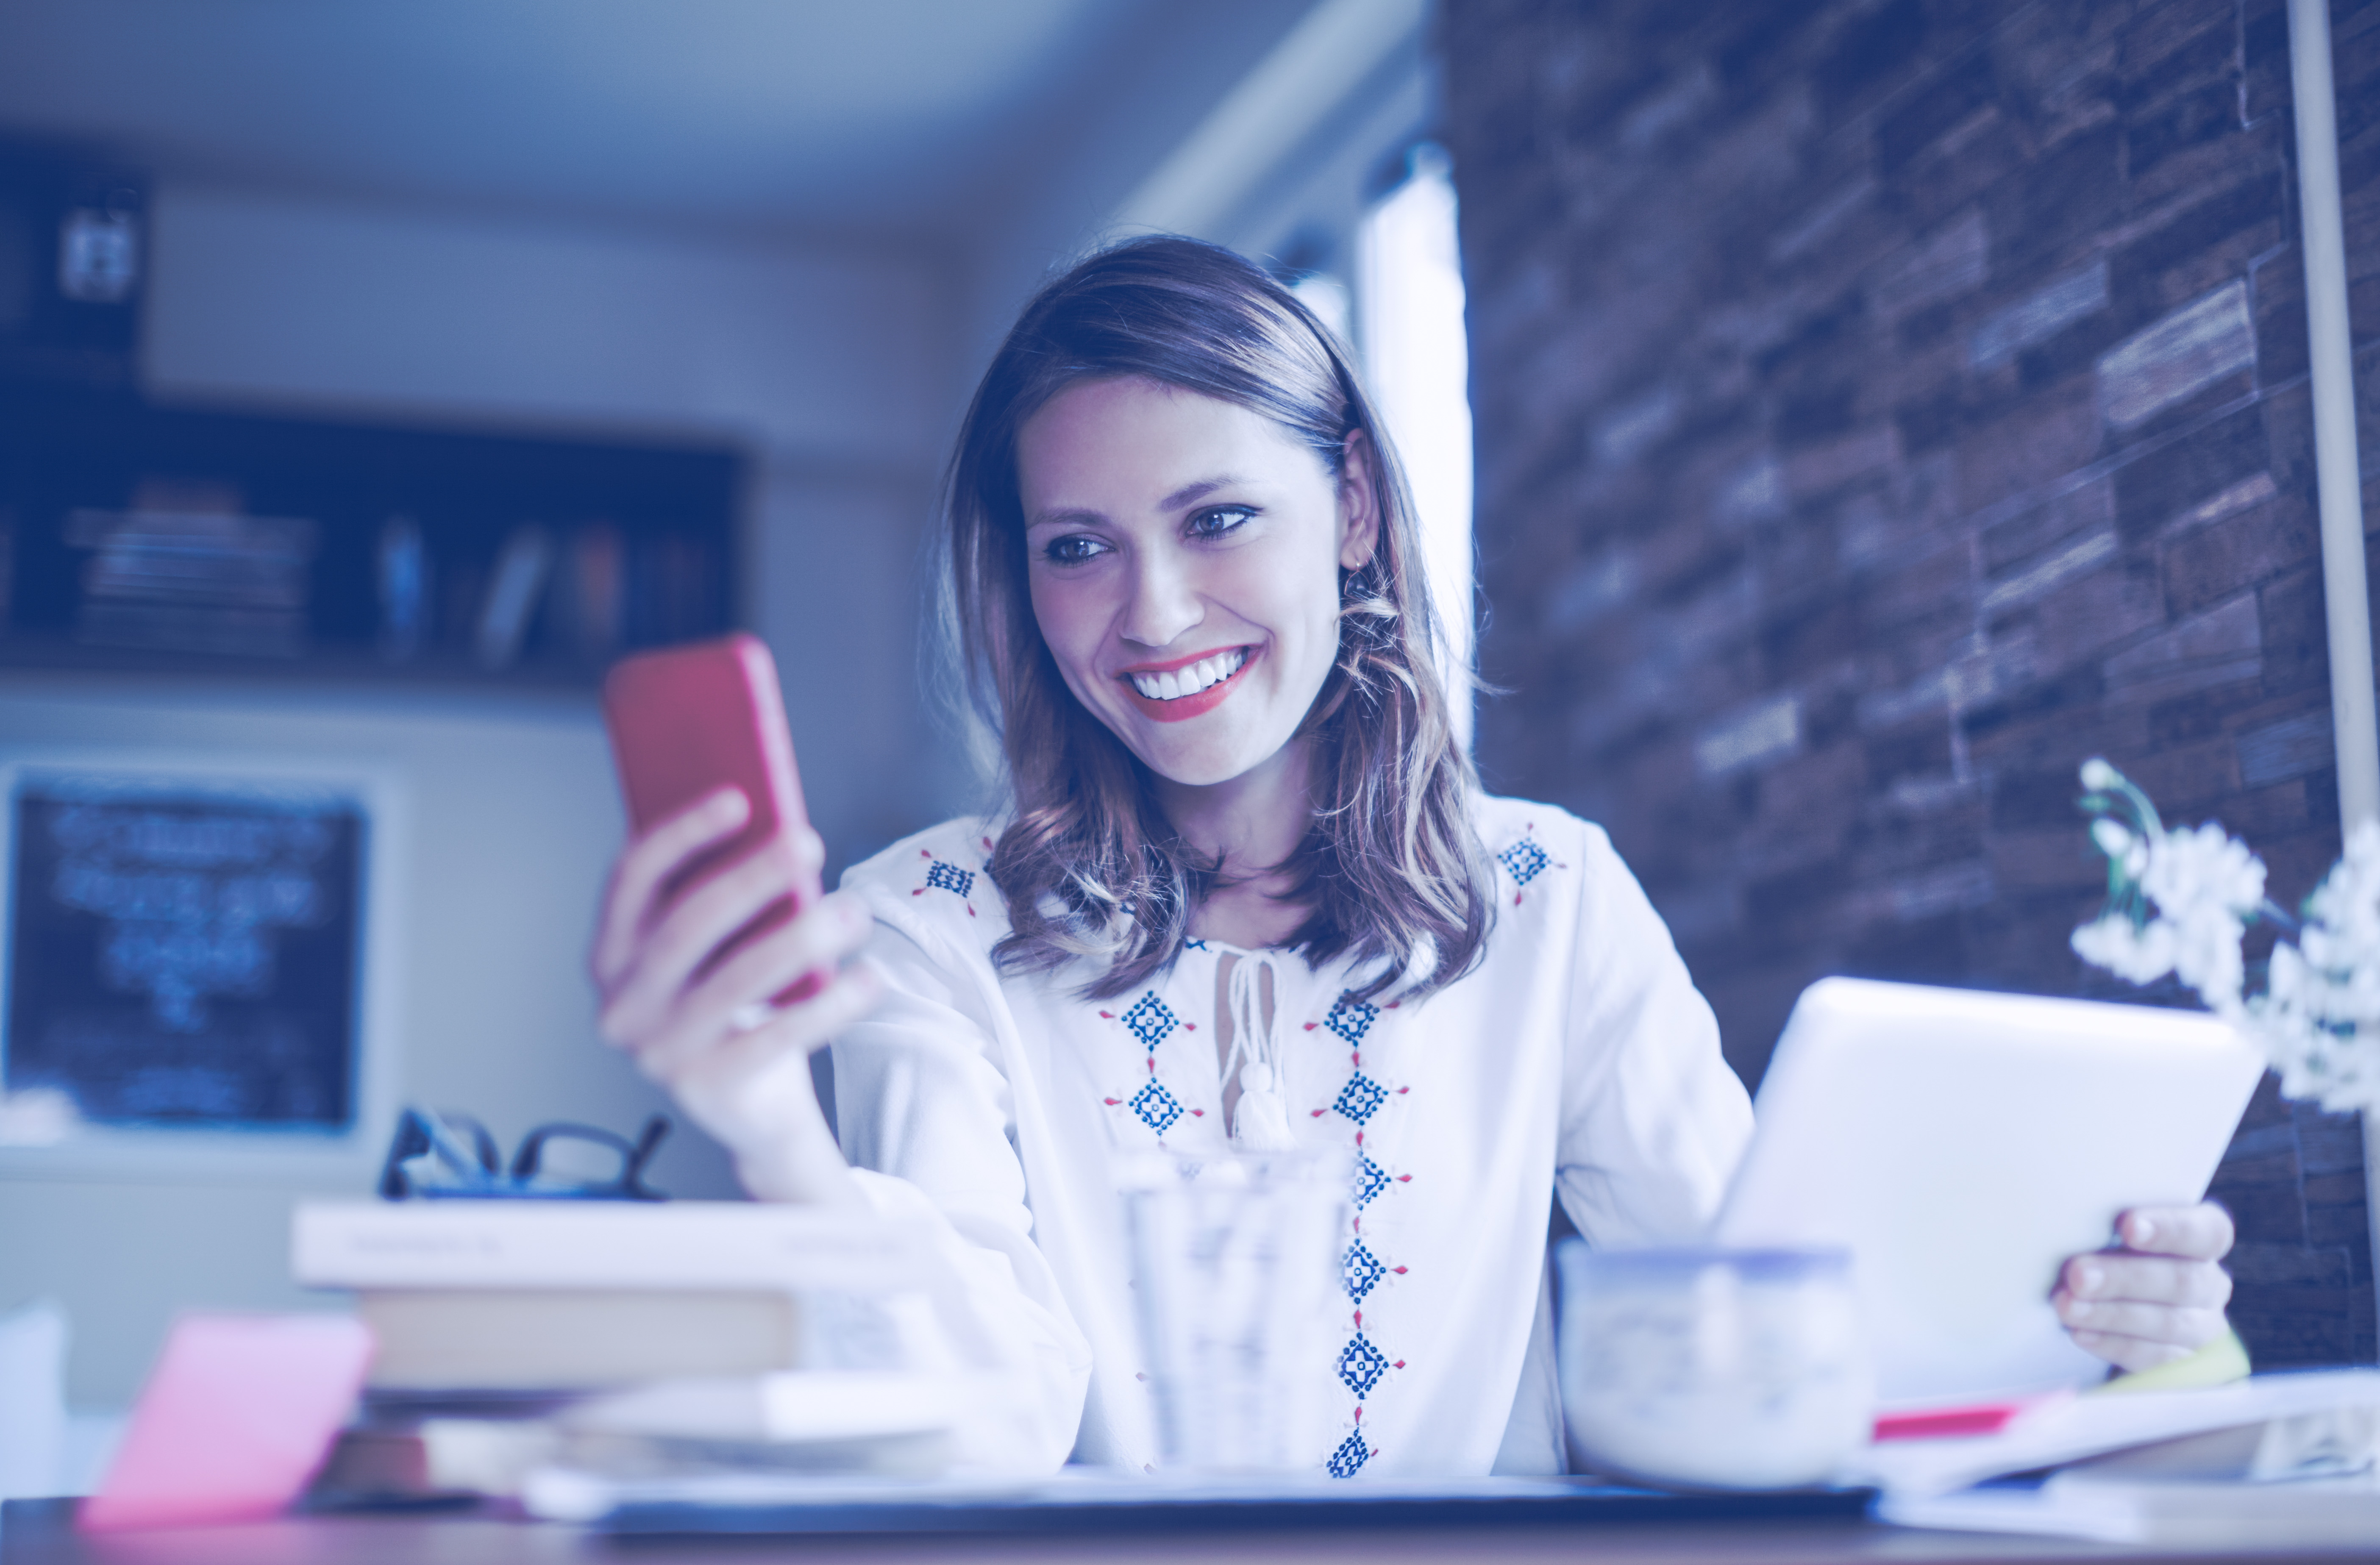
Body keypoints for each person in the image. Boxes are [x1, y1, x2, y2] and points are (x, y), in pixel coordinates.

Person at [590, 236, 2238, 1476]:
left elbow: (1771, 1345)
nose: (1150, 616)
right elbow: (984, 1420)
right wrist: (767, 1135)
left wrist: (2099, 1320)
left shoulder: (1552, 902)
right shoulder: (920, 932)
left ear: (1356, 511)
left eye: (1217, 520)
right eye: (1077, 549)